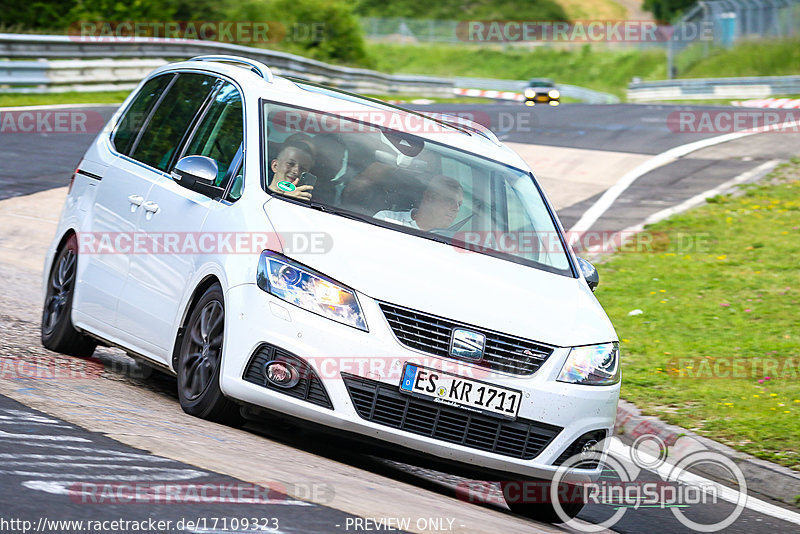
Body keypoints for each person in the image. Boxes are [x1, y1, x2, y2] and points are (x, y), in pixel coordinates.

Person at [374, 175, 463, 231]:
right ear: (430, 197)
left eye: (459, 204)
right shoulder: (386, 219)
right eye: (450, 200)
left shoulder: (453, 243)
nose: (456, 208)